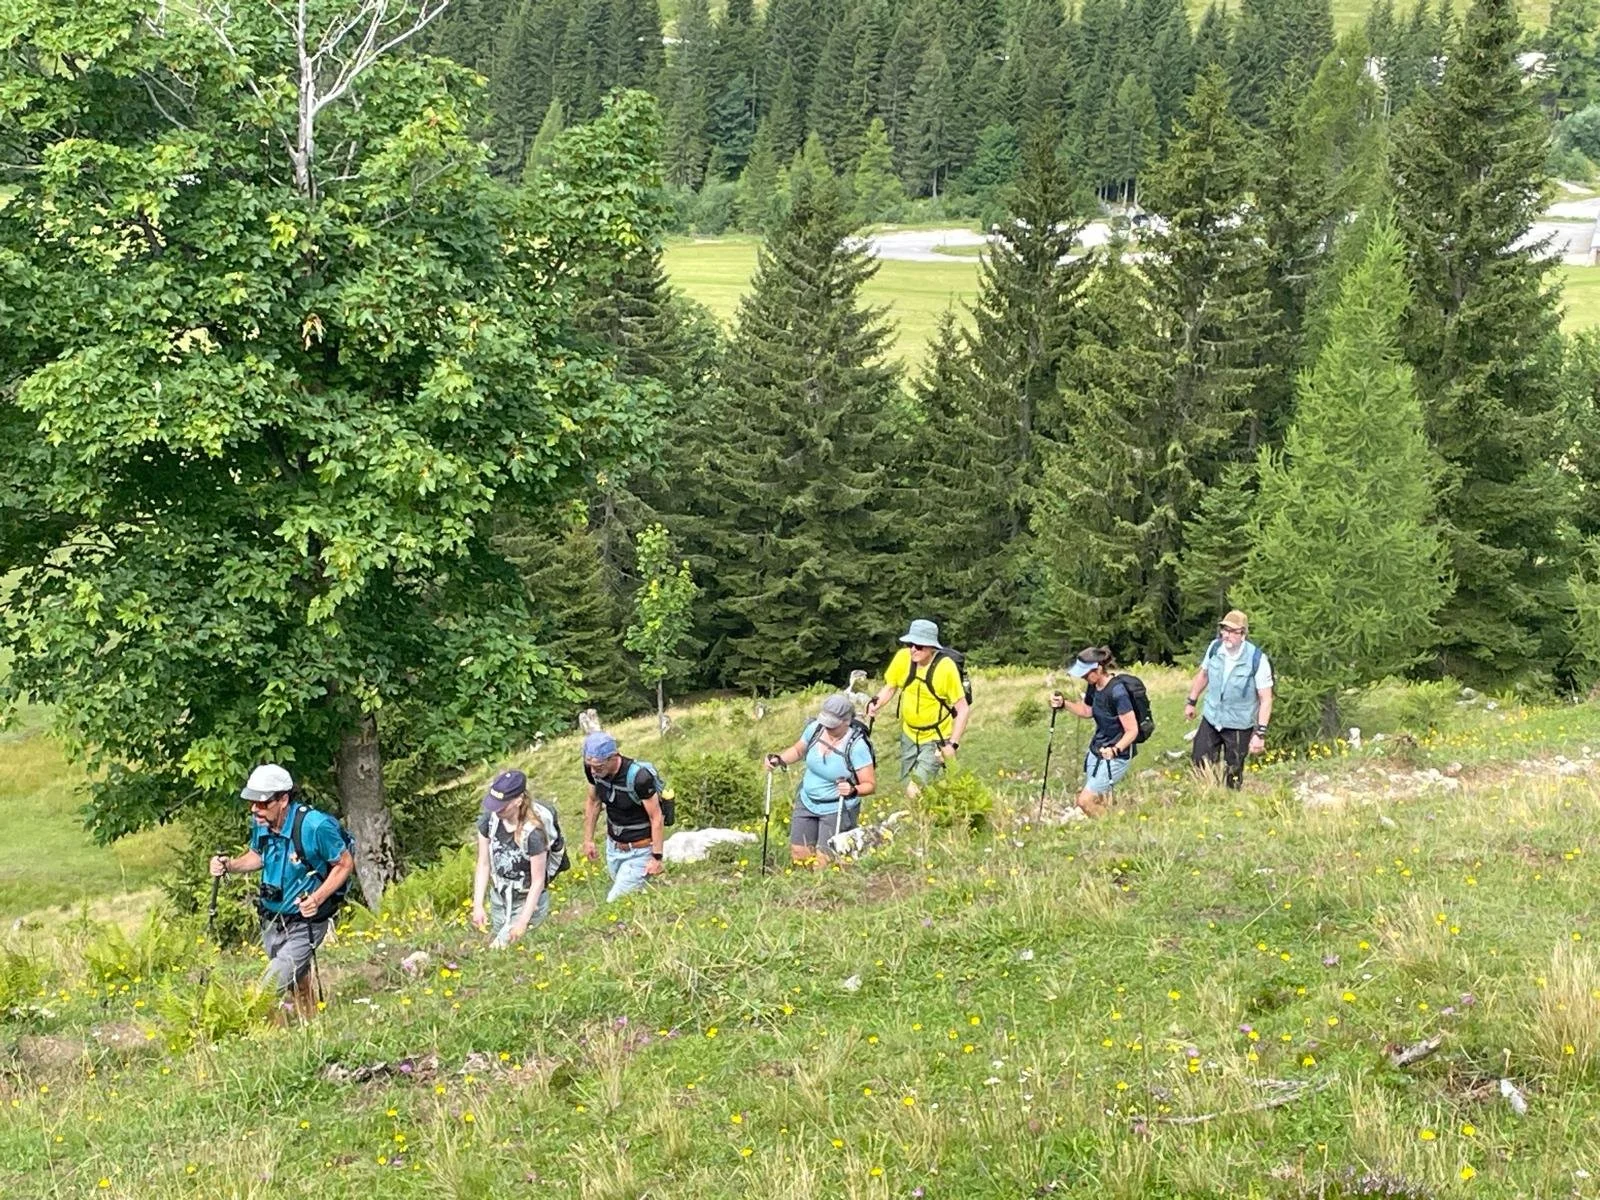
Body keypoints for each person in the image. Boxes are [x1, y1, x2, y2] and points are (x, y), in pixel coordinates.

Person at [209, 764, 354, 1021]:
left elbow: (344, 864)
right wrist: (229, 865)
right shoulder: (263, 823)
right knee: (295, 979)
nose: (255, 809)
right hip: (271, 920)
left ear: (283, 799)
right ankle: (311, 1027)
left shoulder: (315, 826)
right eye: (252, 802)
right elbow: (258, 855)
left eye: (262, 803)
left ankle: (255, 1036)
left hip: (306, 921)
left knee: (268, 986)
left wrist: (317, 898)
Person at [765, 693, 877, 867]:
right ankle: (803, 890)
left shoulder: (857, 746)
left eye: (832, 725)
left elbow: (870, 785)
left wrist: (853, 790)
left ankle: (826, 891)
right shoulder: (816, 729)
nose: (827, 728)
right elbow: (798, 750)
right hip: (807, 800)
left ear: (846, 721)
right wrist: (780, 759)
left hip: (837, 808)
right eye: (825, 722)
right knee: (799, 854)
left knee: (825, 861)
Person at [866, 618, 970, 797]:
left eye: (919, 646)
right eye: (910, 644)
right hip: (909, 734)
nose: (913, 649)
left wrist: (952, 744)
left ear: (931, 647)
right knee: (909, 784)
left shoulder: (946, 669)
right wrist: (876, 703)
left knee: (915, 789)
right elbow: (891, 686)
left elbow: (963, 708)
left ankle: (929, 816)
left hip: (935, 738)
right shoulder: (902, 659)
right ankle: (924, 819)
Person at [1184, 608, 1274, 790]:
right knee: (1200, 762)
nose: (1227, 635)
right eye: (1225, 630)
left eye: (1233, 631)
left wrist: (1260, 734)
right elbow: (1204, 675)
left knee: (1233, 772)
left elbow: (1266, 698)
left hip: (1239, 724)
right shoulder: (1215, 648)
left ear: (1243, 634)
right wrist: (1191, 701)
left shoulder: (1257, 659)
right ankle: (1204, 799)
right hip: (1212, 717)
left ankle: (1230, 803)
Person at [1049, 647, 1138, 818]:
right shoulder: (1093, 685)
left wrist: (1115, 750)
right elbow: (1087, 711)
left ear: (1098, 669)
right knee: (1098, 799)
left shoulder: (1118, 692)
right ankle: (1106, 832)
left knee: (1085, 801)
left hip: (1116, 755)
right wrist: (1063, 704)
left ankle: (1114, 826)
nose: (1082, 677)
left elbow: (1132, 730)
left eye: (1085, 674)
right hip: (1096, 751)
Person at [471, 769, 555, 948]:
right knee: (505, 958)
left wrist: (522, 922)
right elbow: (483, 864)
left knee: (500, 951)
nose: (496, 811)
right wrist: (477, 905)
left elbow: (538, 882)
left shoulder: (533, 834)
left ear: (518, 801)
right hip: (499, 899)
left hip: (527, 903)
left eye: (502, 807)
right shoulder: (489, 821)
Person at [580, 731, 665, 902]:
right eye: (590, 766)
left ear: (613, 757)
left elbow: (656, 817)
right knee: (630, 899)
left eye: (599, 767)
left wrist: (656, 857)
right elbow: (593, 801)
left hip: (640, 849)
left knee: (615, 901)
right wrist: (588, 840)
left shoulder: (639, 778)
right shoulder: (593, 771)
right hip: (614, 847)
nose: (594, 772)